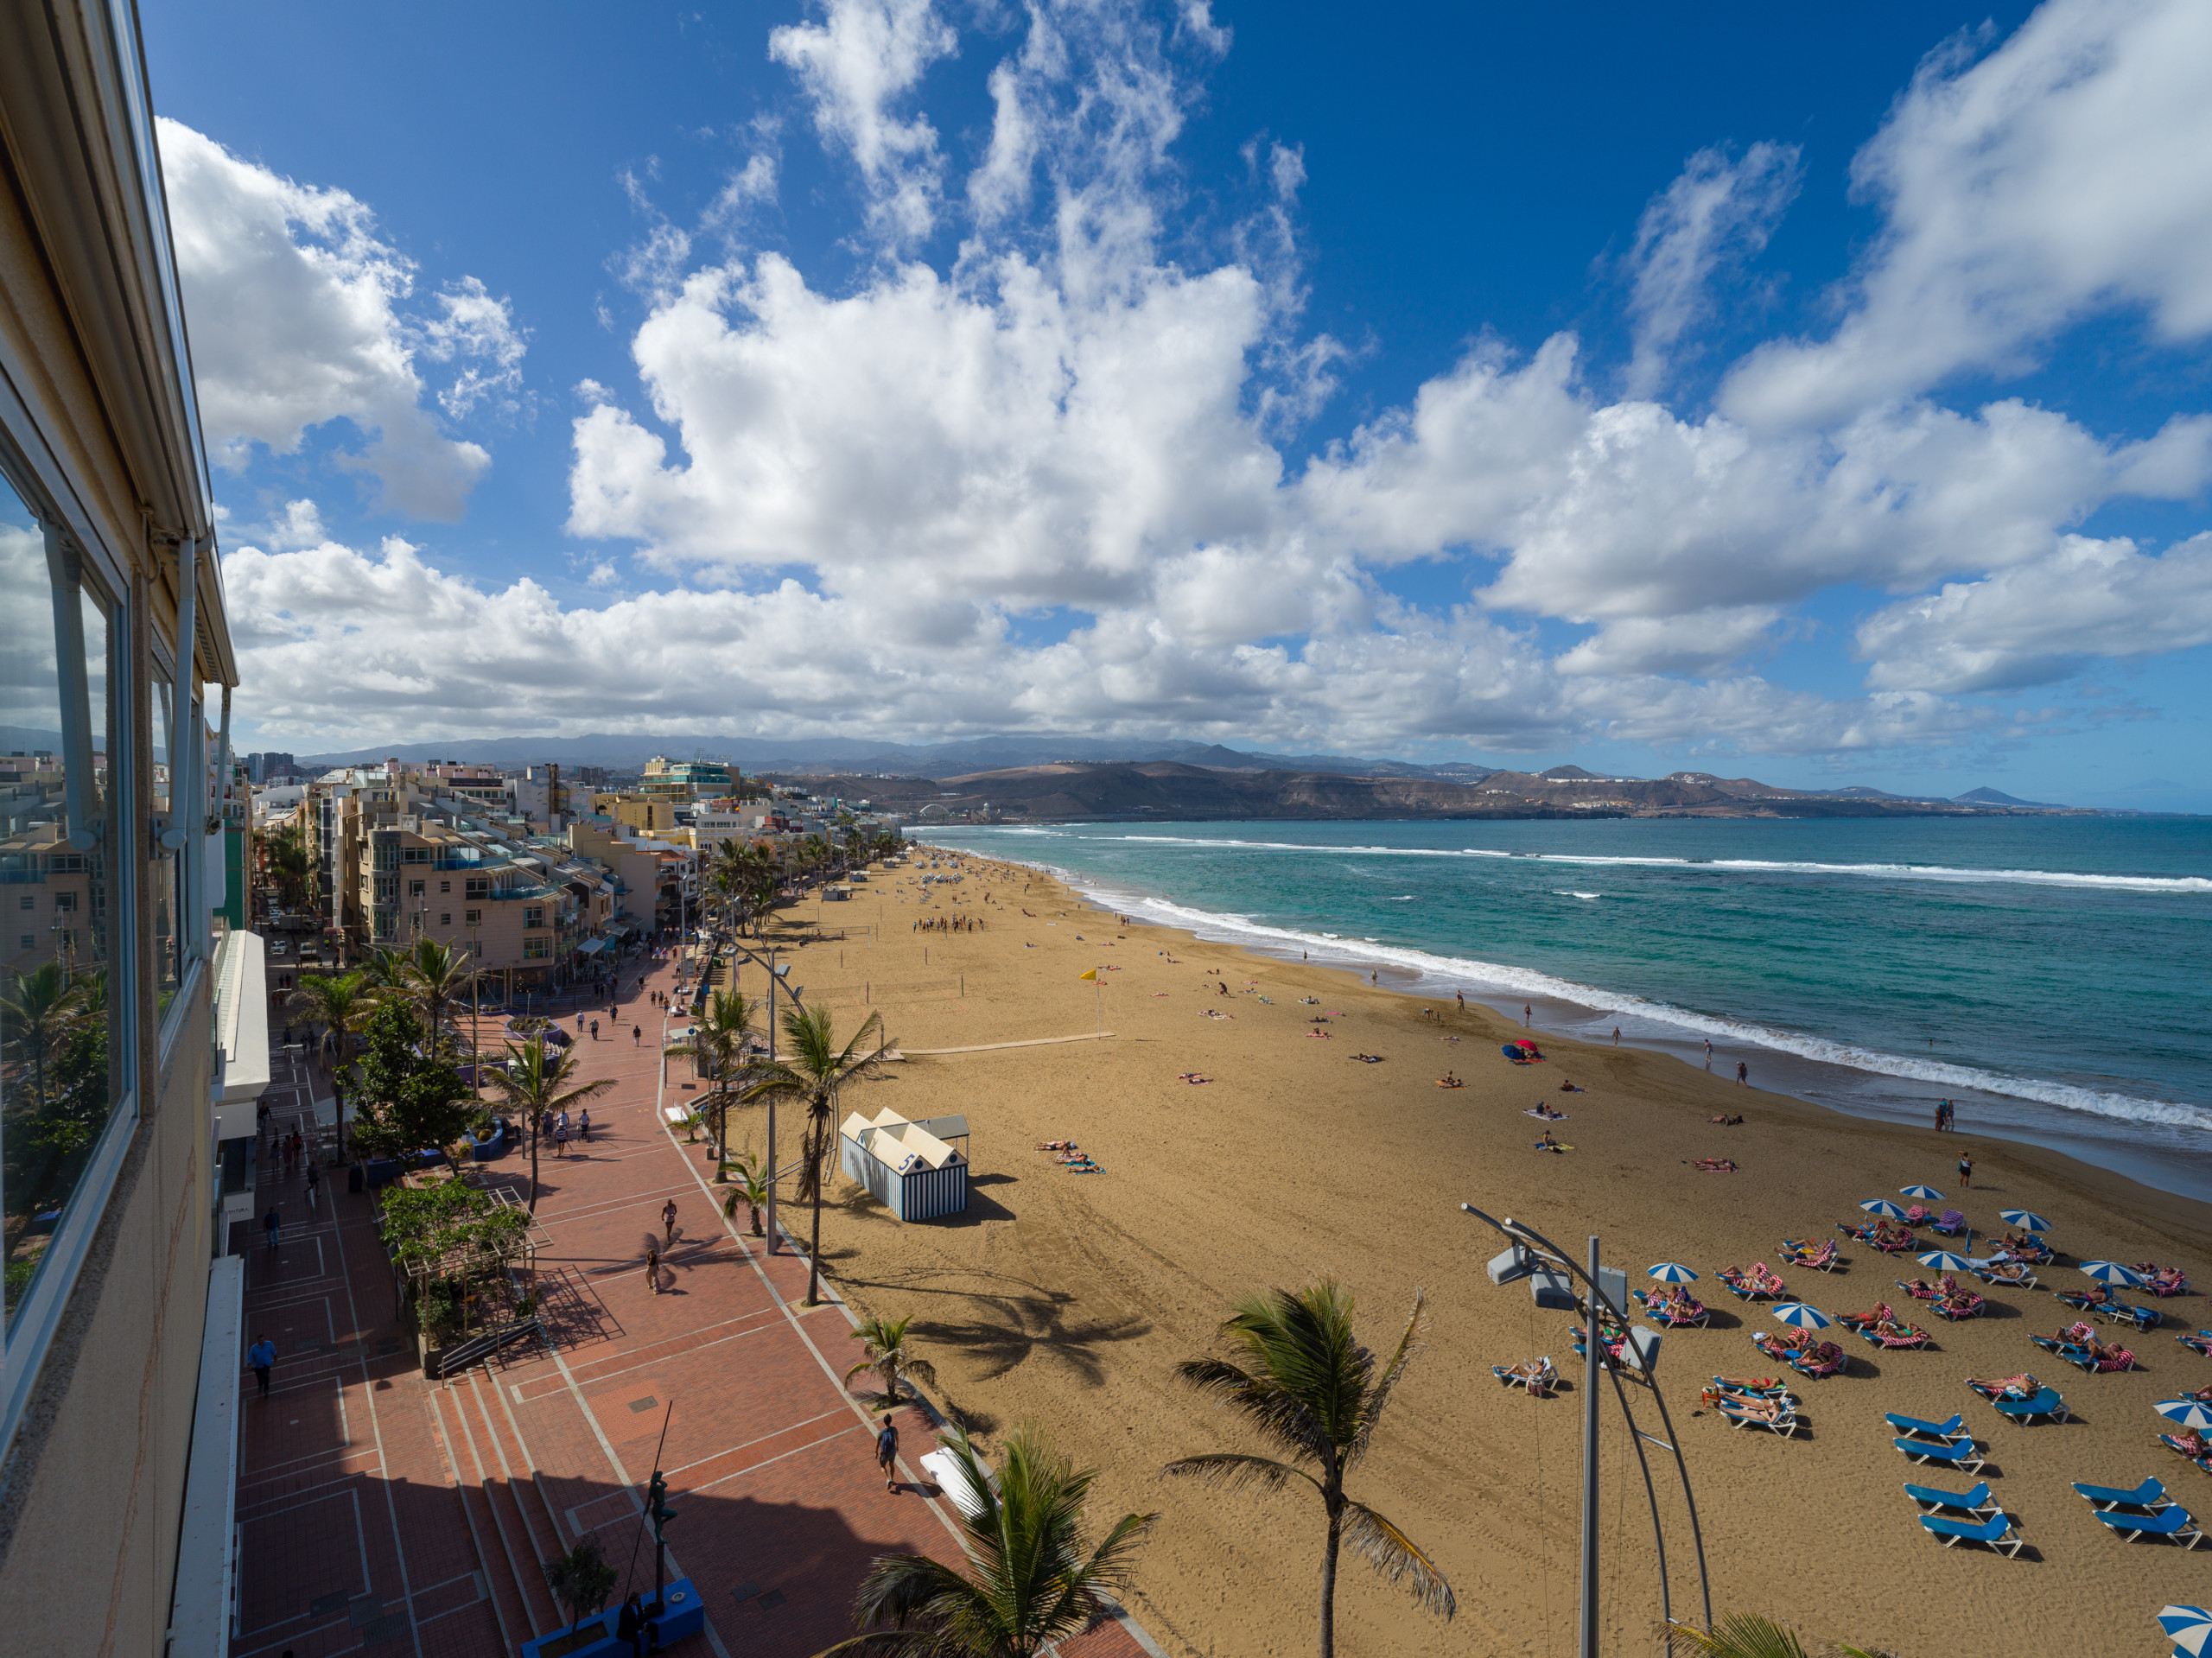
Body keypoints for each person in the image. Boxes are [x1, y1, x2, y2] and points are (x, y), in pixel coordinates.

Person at [247, 1333, 276, 1399]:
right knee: (259, 1377)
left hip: (266, 1364)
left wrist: (275, 1356)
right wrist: (249, 1365)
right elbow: (250, 1357)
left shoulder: (269, 1344)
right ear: (258, 1341)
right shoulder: (254, 1348)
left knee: (266, 1376)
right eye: (260, 1340)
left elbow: (273, 1351)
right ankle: (260, 1385)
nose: (262, 1341)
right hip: (257, 1366)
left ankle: (266, 1389)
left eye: (263, 1340)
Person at [876, 1414, 899, 1492]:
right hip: (892, 1451)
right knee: (892, 1465)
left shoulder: (881, 1433)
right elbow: (897, 1438)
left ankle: (887, 1479)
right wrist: (897, 1446)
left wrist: (876, 1452)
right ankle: (892, 1480)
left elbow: (877, 1444)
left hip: (884, 1453)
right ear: (891, 1421)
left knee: (882, 1466)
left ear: (884, 1421)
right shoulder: (894, 1430)